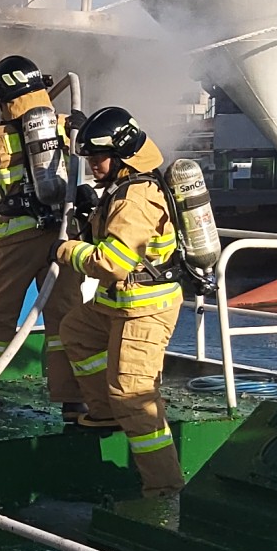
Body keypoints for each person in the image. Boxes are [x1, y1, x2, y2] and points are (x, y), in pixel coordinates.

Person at [56, 106, 186, 497]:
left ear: (123, 155)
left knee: (133, 395)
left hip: (144, 309)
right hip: (120, 302)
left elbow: (111, 262)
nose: (93, 165)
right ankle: (105, 412)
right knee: (76, 331)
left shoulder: (135, 198)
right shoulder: (124, 187)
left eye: (99, 157)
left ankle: (165, 489)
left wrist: (67, 250)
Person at [0, 55, 86, 421]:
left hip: (12, 243)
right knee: (65, 320)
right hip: (61, 239)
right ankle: (73, 400)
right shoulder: (68, 127)